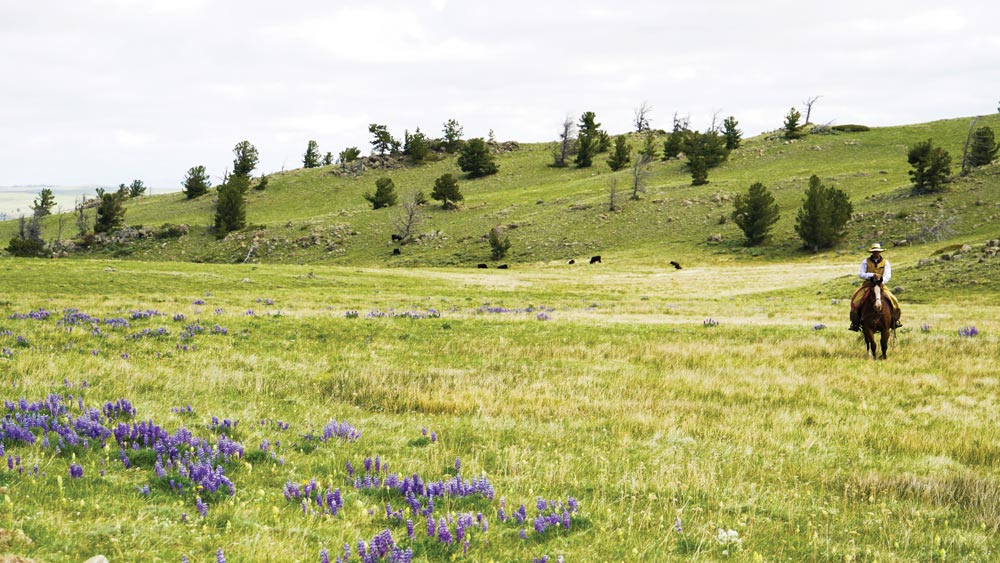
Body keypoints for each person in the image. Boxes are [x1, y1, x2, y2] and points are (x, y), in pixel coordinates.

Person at [849, 243, 902, 331]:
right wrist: (871, 275)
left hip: (881, 285)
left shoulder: (886, 262)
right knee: (855, 301)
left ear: (880, 252)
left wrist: (881, 281)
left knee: (894, 301)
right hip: (868, 285)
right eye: (874, 251)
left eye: (877, 251)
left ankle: (895, 321)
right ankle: (855, 323)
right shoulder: (865, 261)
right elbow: (860, 274)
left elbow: (887, 275)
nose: (876, 253)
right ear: (872, 252)